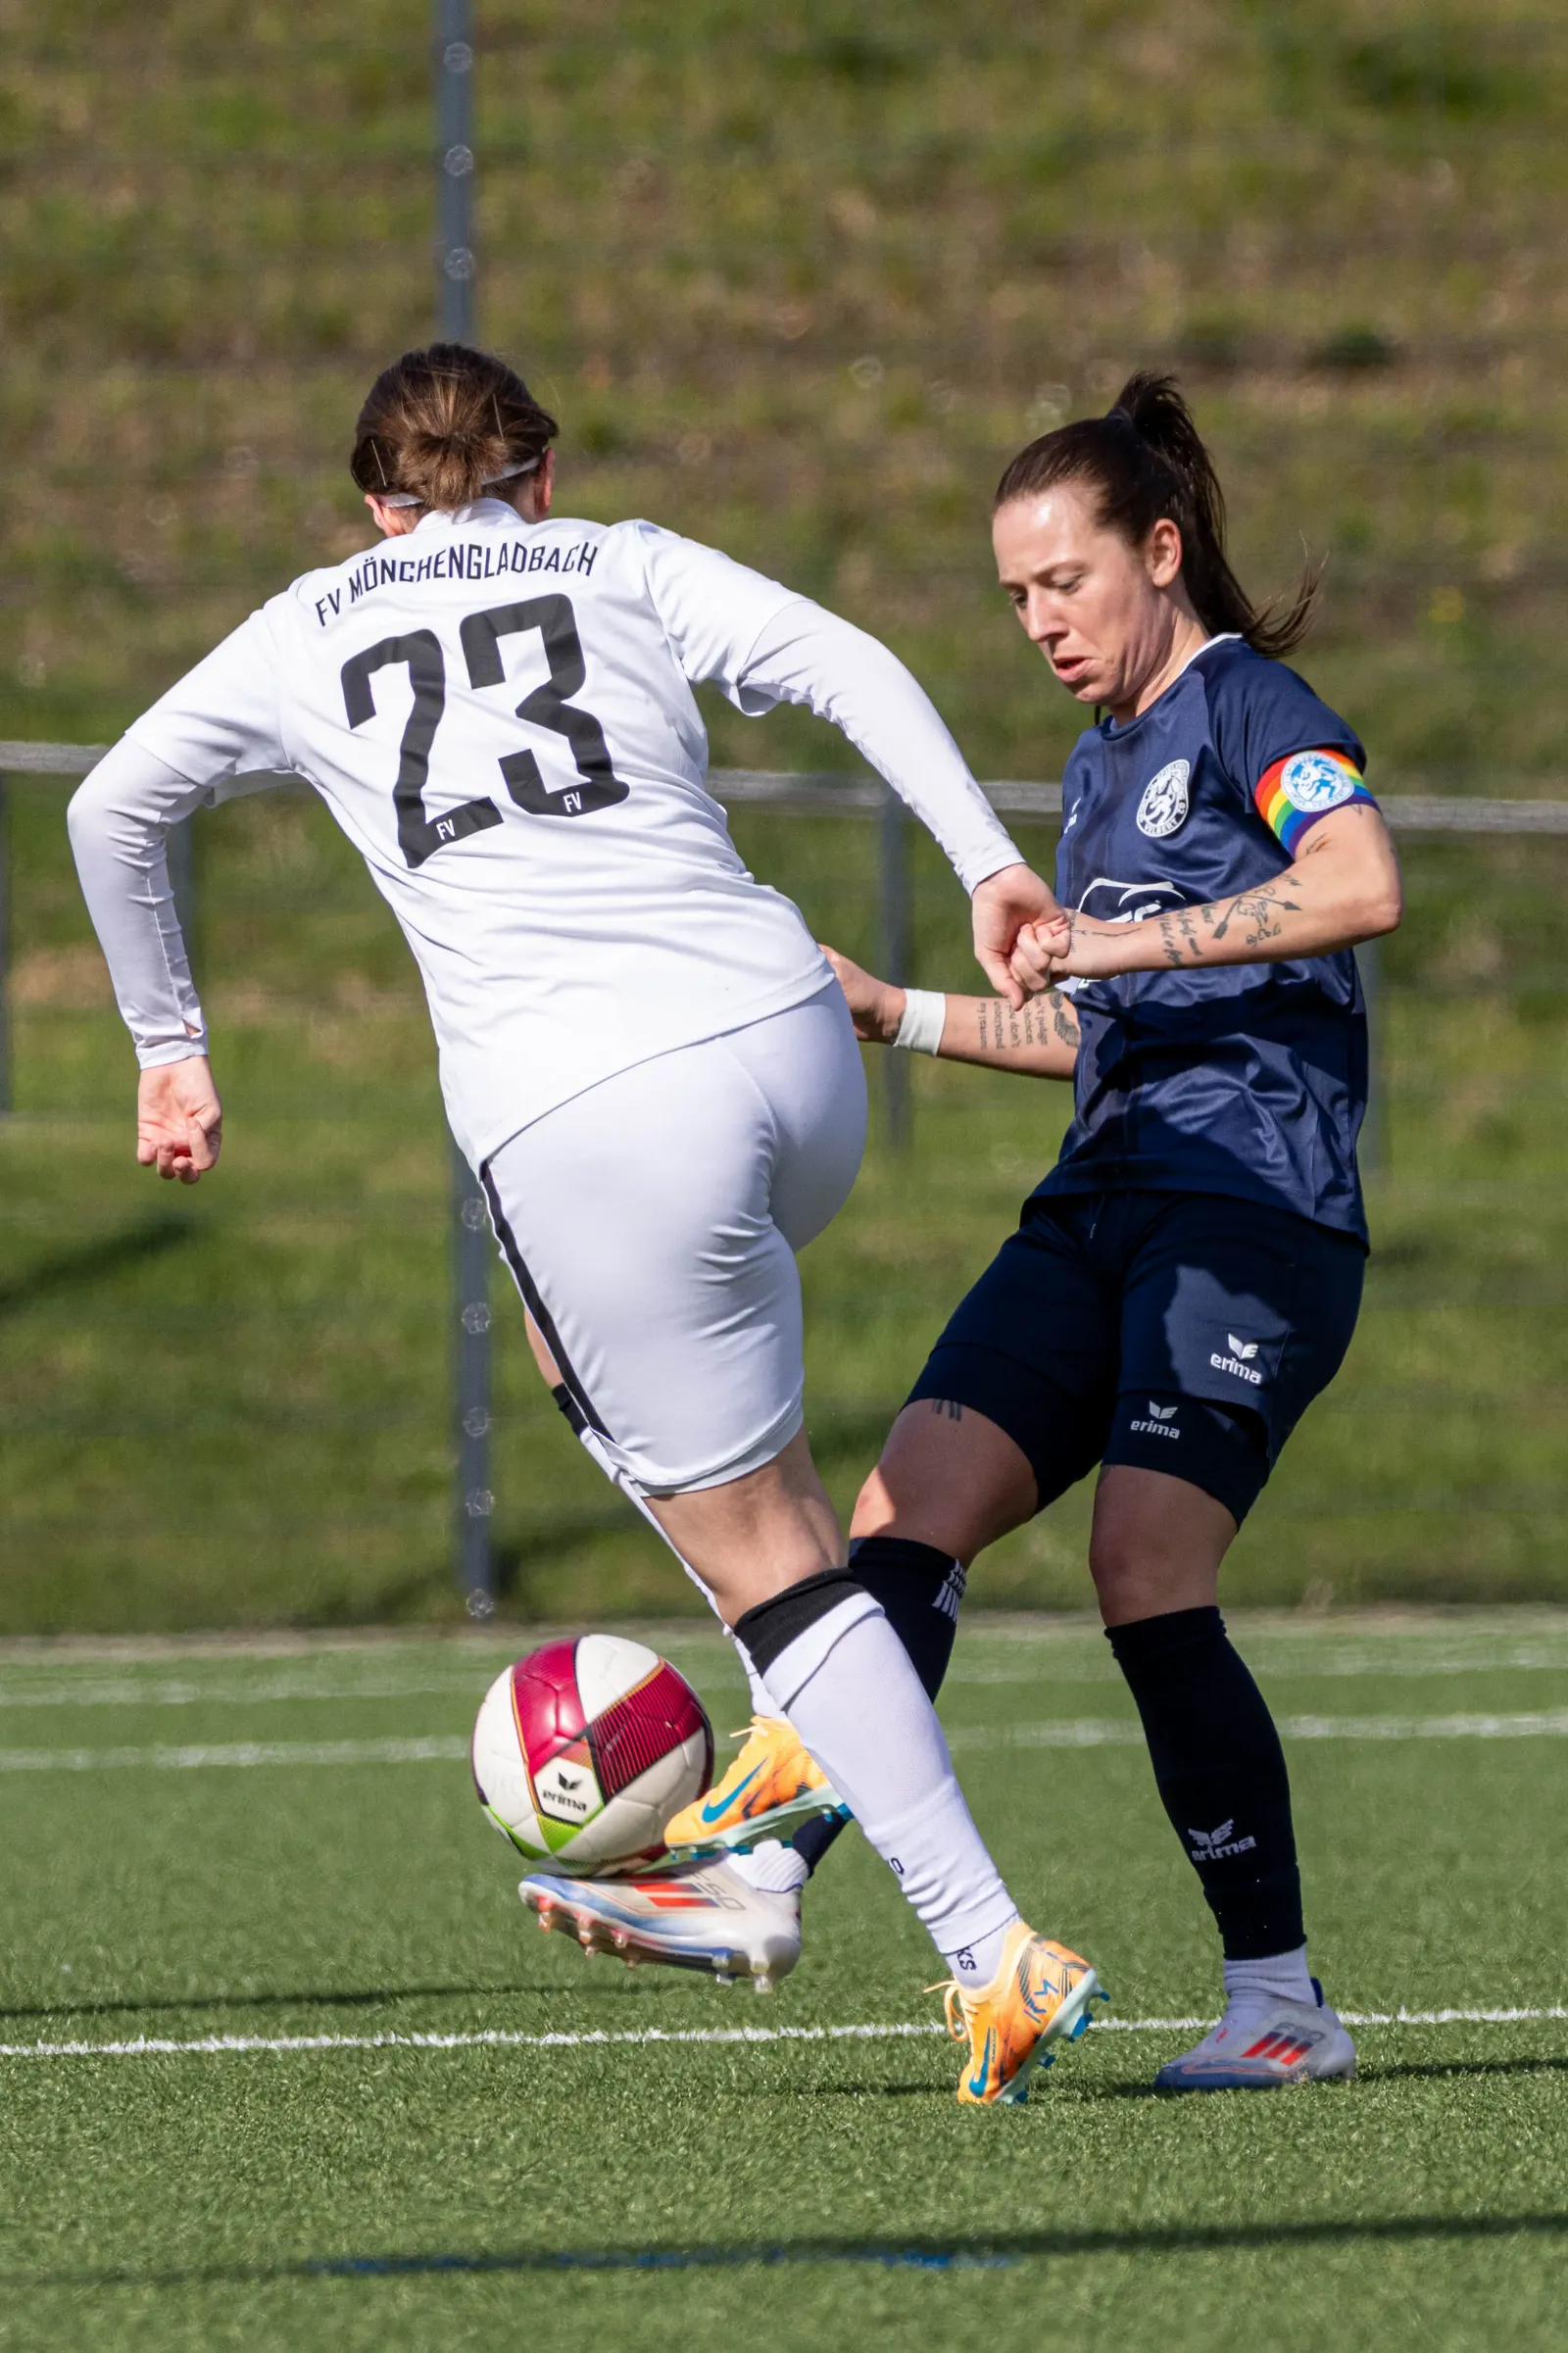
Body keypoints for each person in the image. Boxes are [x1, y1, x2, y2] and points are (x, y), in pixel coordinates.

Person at [68, 340, 1102, 2105]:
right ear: (537, 477)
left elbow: (114, 805)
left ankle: (976, 1944)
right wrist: (991, 866)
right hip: (791, 1045)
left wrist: (171, 1046)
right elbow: (846, 662)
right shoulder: (619, 558)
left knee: (766, 1558)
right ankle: (766, 1853)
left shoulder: (308, 626)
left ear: (375, 507)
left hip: (594, 1115)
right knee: (645, 1405)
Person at [600, 371, 1402, 2097]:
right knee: (901, 1514)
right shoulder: (1100, 764)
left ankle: (1280, 2002)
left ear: (1160, 551)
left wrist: (1110, 946)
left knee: (1144, 1568)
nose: (1041, 621)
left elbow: (1359, 884)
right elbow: (1094, 1029)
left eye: (1065, 580)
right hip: (1101, 1196)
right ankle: (759, 1881)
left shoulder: (1248, 702)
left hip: (1251, 1210)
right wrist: (895, 1011)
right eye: (1016, 594)